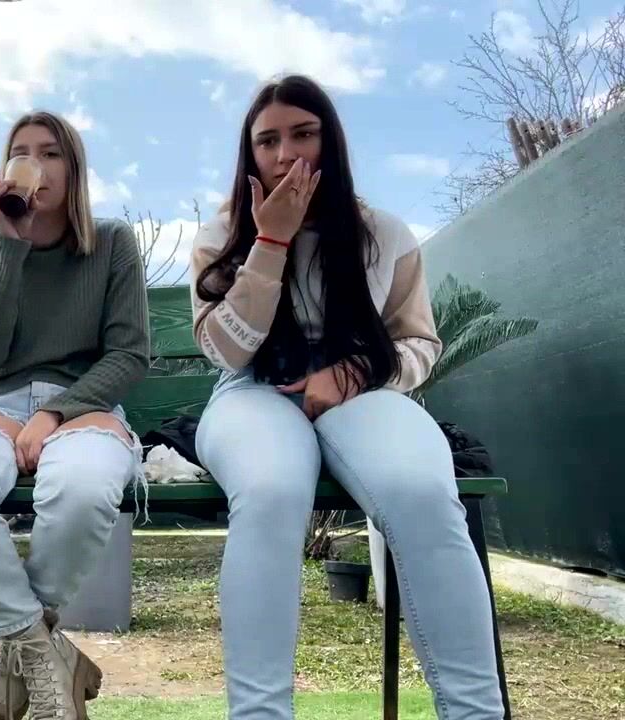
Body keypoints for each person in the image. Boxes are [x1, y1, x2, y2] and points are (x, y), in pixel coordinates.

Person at [189, 74, 504, 719]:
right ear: (249, 154)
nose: (285, 154)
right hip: (253, 390)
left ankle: (477, 712)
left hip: (365, 390)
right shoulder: (220, 235)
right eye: (267, 141)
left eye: (303, 134)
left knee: (424, 494)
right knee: (271, 492)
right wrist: (270, 243)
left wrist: (351, 374)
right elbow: (226, 351)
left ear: (329, 141)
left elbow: (418, 344)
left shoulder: (383, 234)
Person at [0, 111, 150, 720]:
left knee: (84, 489)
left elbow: (129, 353)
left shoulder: (112, 242)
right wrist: (9, 246)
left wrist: (55, 412)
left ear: (73, 170)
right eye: (20, 152)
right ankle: (42, 650)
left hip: (84, 405)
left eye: (50, 153)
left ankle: (16, 651)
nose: (34, 165)